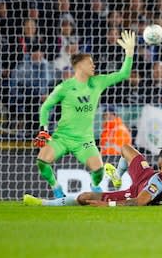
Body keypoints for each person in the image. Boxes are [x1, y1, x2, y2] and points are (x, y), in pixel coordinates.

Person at [33, 30, 136, 198]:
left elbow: (124, 74)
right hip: (63, 137)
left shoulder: (98, 82)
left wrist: (129, 54)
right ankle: (56, 188)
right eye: (90, 63)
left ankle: (94, 187)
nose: (93, 65)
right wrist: (44, 129)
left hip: (85, 140)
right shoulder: (65, 87)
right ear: (79, 66)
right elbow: (45, 107)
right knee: (42, 161)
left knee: (99, 170)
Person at [23, 144, 162, 207]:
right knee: (126, 148)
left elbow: (138, 202)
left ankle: (43, 203)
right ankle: (117, 175)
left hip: (136, 190)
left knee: (85, 197)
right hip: (145, 175)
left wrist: (107, 204)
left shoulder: (158, 182)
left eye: (159, 158)